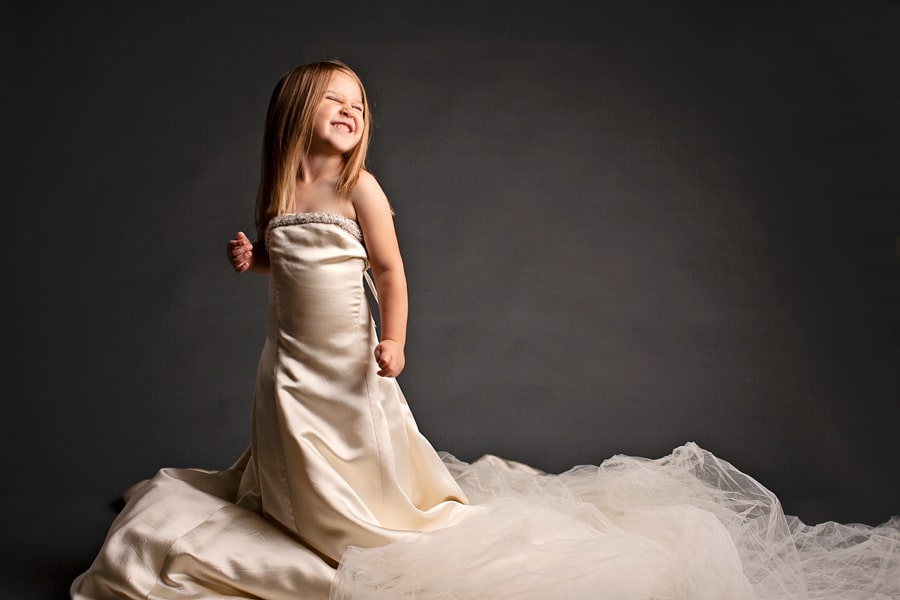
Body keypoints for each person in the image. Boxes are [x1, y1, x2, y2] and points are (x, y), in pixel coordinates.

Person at [72, 59, 899, 600]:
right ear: (295, 110)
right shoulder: (285, 192)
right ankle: (300, 509)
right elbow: (287, 266)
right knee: (292, 451)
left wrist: (395, 340)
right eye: (337, 100)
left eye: (361, 104)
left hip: (350, 368)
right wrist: (251, 257)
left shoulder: (363, 193)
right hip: (287, 369)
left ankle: (358, 527)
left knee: (360, 456)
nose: (353, 112)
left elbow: (388, 274)